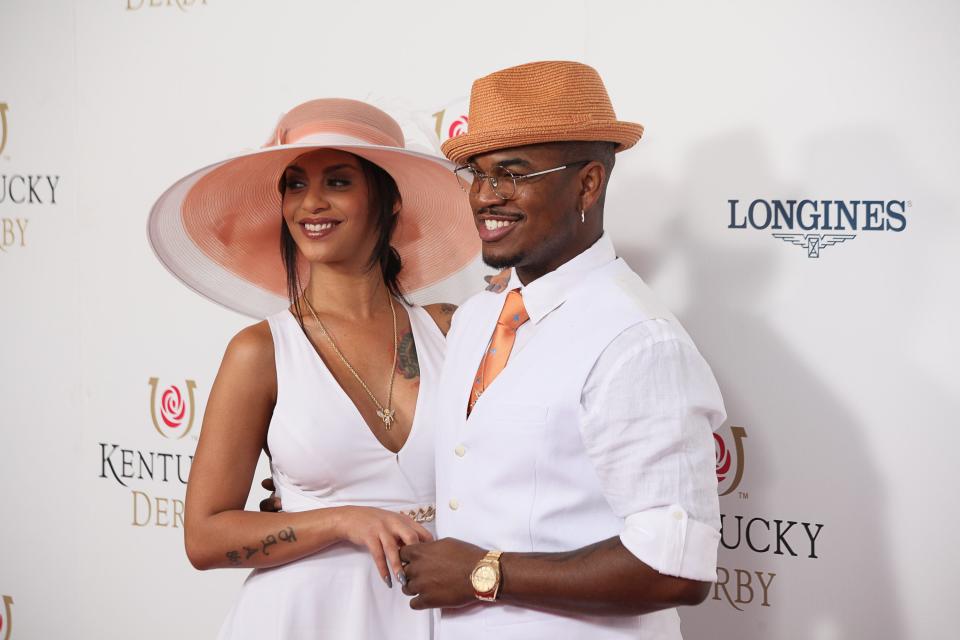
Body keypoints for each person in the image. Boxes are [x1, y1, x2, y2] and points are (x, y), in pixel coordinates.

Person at [397, 61, 725, 639]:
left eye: (512, 173)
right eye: (477, 174)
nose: (484, 198)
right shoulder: (477, 319)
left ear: (589, 182)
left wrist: (483, 573)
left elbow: (674, 568)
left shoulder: (637, 341)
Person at [146, 98, 478, 639]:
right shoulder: (260, 351)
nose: (311, 204)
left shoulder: (450, 330)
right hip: (300, 619)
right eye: (295, 184)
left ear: (389, 203)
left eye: (339, 181)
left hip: (432, 614)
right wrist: (342, 519)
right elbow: (203, 538)